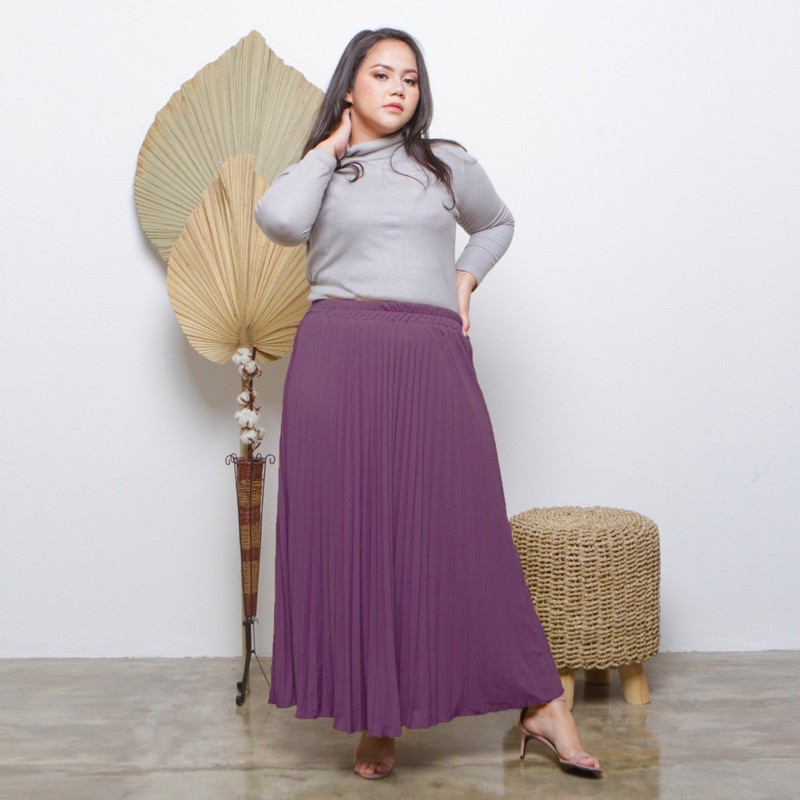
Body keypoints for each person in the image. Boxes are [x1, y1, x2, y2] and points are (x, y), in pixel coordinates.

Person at [253, 28, 603, 780]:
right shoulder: (321, 169)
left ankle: (542, 702)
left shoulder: (445, 163)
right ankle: (377, 720)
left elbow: (497, 223)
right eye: (380, 74)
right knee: (355, 534)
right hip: (339, 358)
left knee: (460, 529)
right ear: (350, 86)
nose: (397, 89)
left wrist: (464, 278)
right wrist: (329, 147)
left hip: (429, 356)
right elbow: (278, 222)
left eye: (409, 78)